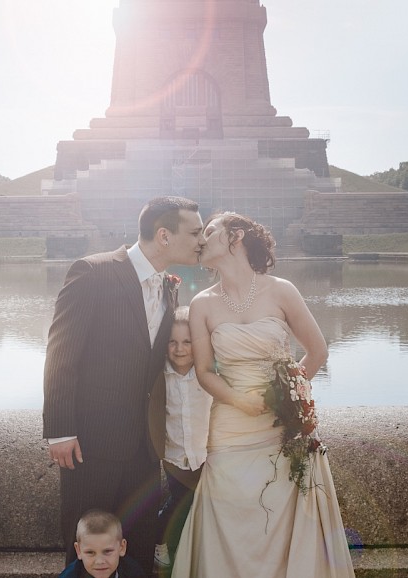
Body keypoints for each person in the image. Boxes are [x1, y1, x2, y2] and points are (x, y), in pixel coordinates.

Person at [170, 212, 354, 577]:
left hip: (280, 431)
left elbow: (317, 351)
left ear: (235, 236)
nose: (202, 239)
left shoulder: (282, 290)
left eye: (210, 231)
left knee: (285, 524)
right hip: (229, 430)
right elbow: (205, 372)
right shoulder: (203, 304)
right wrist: (240, 400)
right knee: (230, 520)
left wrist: (290, 400)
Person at [43, 196, 205, 574]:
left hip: (144, 449)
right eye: (195, 232)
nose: (201, 240)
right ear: (164, 235)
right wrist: (60, 430)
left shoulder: (169, 286)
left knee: (138, 551)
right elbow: (60, 354)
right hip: (90, 445)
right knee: (87, 552)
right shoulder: (92, 272)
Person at [146, 306, 212, 570]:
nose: (179, 349)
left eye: (187, 342)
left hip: (206, 456)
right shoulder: (160, 377)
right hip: (174, 457)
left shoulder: (208, 375)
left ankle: (200, 553)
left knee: (204, 506)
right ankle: (159, 542)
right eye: (172, 342)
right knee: (178, 502)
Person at [59, 509, 147, 578]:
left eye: (107, 551)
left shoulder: (133, 572)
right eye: (90, 552)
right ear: (78, 551)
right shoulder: (70, 575)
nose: (100, 561)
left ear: (122, 547)